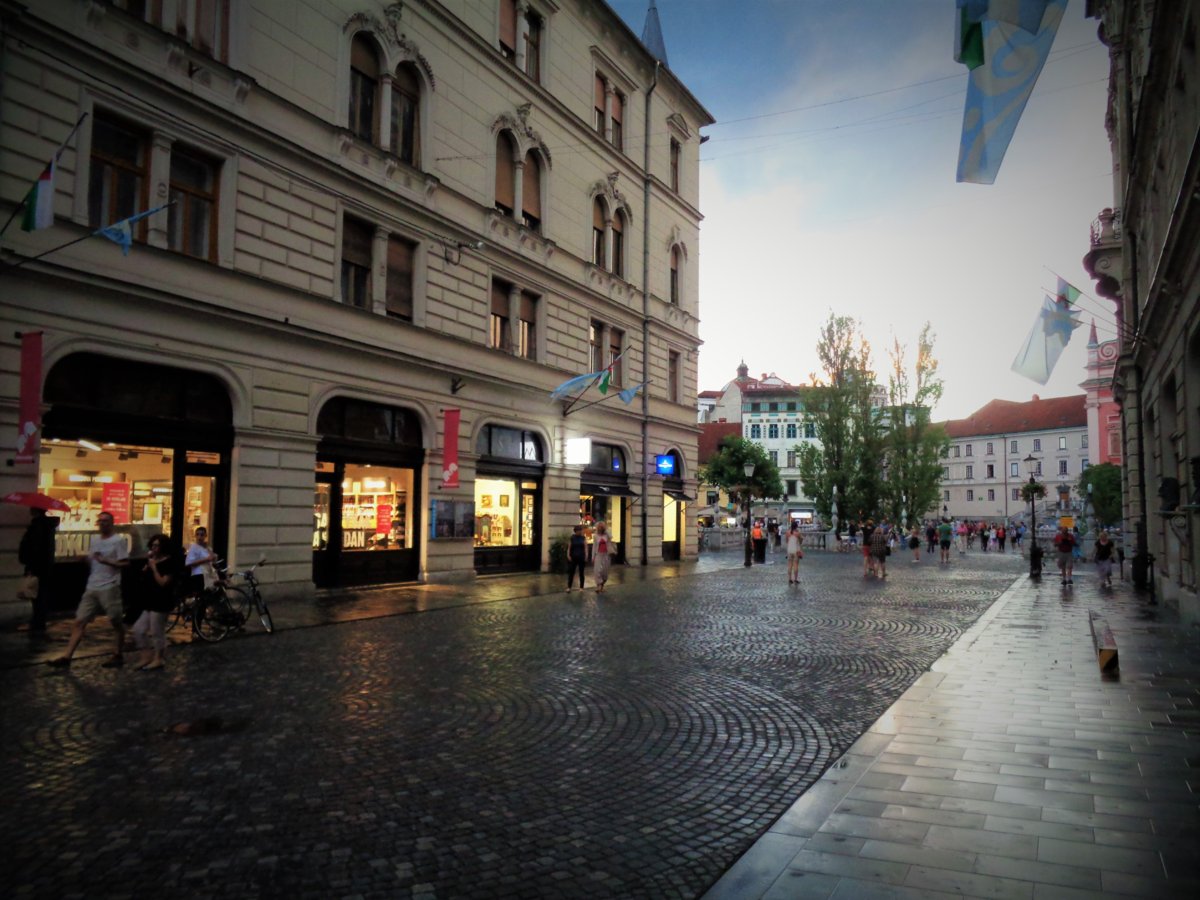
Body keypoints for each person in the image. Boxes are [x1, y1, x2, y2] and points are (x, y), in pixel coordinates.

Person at [48, 510, 129, 668]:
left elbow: (125, 563)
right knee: (79, 621)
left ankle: (118, 654)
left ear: (112, 523)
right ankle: (67, 656)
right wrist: (85, 559)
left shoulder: (118, 541)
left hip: (110, 586)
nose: (103, 524)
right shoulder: (95, 540)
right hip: (92, 585)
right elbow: (93, 560)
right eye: (100, 521)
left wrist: (107, 561)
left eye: (106, 521)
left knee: (115, 620)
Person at [130, 534, 180, 671]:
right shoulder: (152, 560)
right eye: (153, 545)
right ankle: (146, 655)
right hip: (149, 600)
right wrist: (147, 567)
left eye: (157, 545)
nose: (154, 548)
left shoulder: (169, 562)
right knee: (139, 629)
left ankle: (159, 658)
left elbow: (163, 582)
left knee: (157, 632)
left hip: (161, 601)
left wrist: (154, 568)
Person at [18, 507, 58, 640]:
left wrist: (29, 564)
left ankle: (38, 623)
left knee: (37, 596)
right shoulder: (48, 526)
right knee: (40, 595)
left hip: (37, 567)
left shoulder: (37, 527)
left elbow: (34, 548)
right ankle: (38, 622)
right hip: (45, 567)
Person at [184, 526, 218, 598]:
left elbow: (212, 559)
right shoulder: (193, 547)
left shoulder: (207, 547)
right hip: (198, 574)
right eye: (197, 534)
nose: (199, 537)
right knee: (201, 597)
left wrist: (212, 555)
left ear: (205, 536)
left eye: (202, 535)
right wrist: (205, 560)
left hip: (207, 574)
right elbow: (188, 563)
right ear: (195, 536)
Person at [566, 524, 587, 592]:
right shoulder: (572, 538)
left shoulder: (583, 538)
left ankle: (581, 587)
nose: (579, 532)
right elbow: (569, 547)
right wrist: (568, 555)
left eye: (580, 530)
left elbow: (585, 547)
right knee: (571, 572)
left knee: (581, 572)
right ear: (575, 531)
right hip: (573, 557)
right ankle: (569, 587)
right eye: (578, 530)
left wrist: (586, 555)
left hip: (581, 556)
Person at [593, 521, 612, 593]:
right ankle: (599, 586)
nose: (600, 528)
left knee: (605, 572)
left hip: (606, 554)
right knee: (597, 571)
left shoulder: (607, 535)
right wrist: (593, 556)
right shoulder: (595, 536)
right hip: (598, 554)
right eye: (599, 527)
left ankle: (602, 586)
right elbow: (594, 547)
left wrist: (606, 530)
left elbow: (611, 536)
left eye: (602, 527)